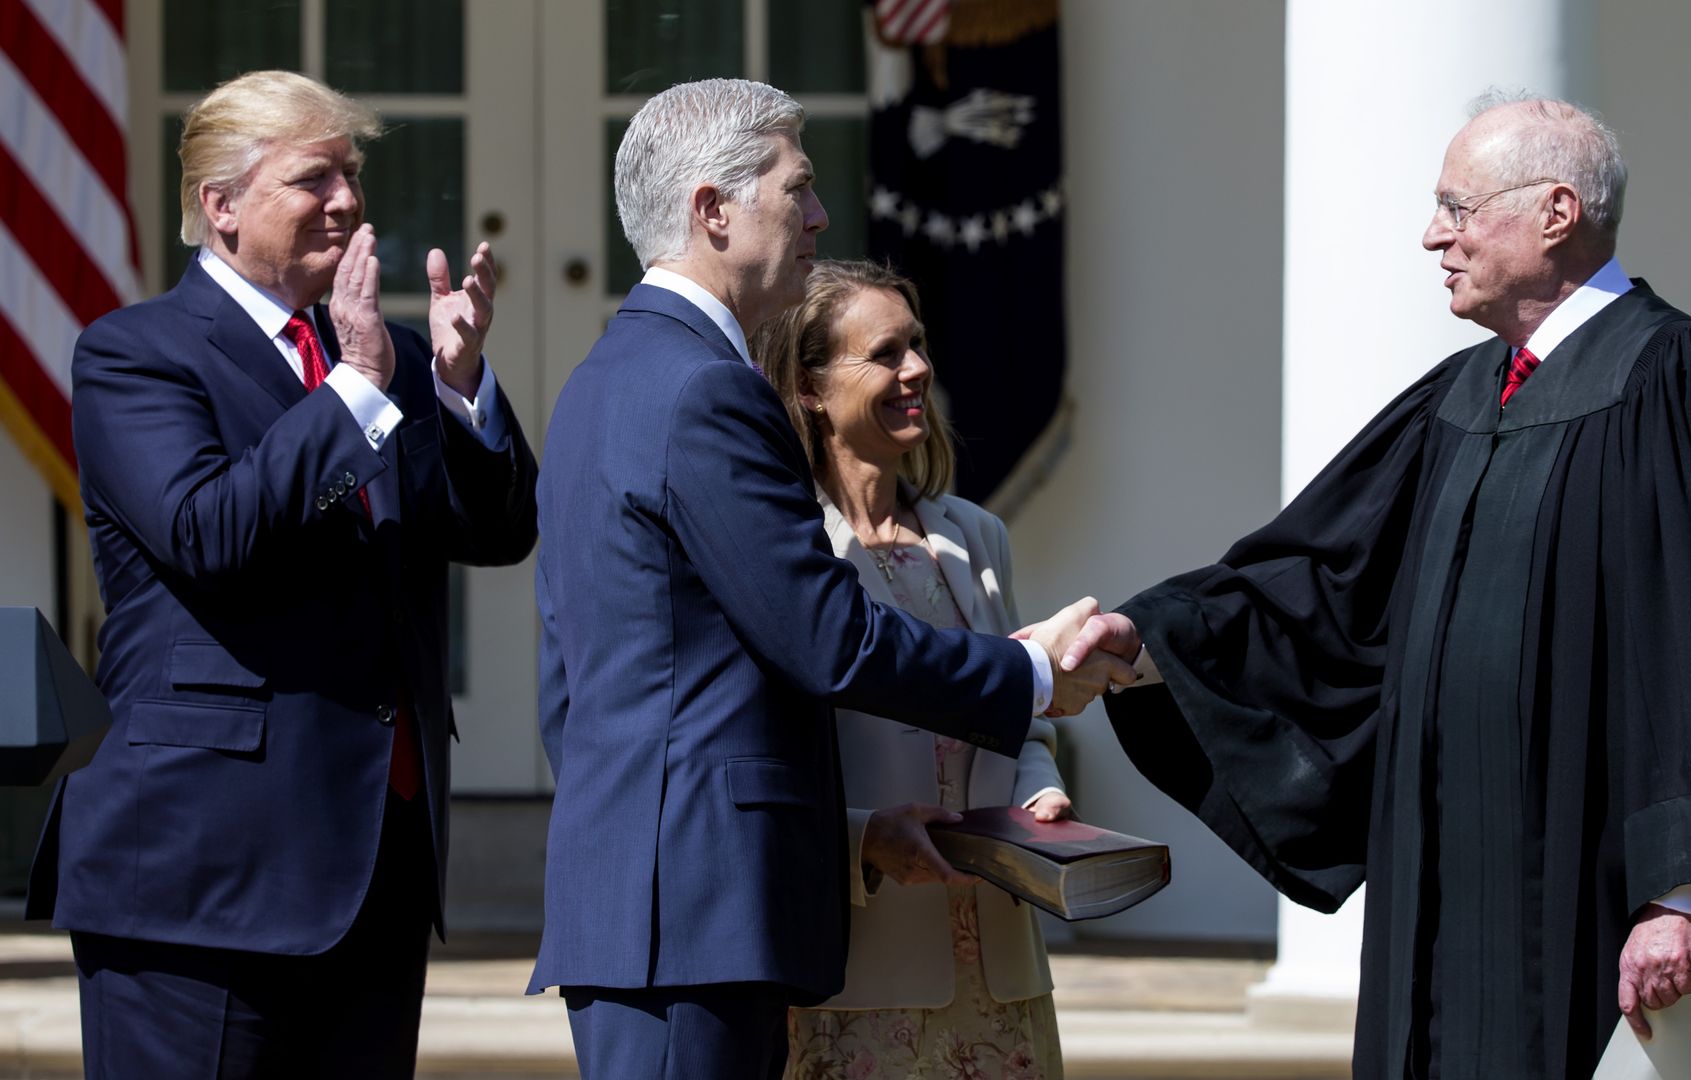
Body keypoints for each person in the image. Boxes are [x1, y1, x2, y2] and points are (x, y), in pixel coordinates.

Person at [1067, 94, 1691, 1077]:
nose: (1433, 236)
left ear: (1556, 211)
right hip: (1441, 893)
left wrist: (1684, 895)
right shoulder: (1460, 396)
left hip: (1598, 900)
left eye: (1458, 208)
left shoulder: (1682, 384)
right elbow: (1328, 584)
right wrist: (1157, 638)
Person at [531, 79, 1131, 1079]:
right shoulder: (704, 390)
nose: (817, 215)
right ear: (712, 209)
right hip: (697, 915)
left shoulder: (603, 379)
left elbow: (568, 689)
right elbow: (827, 637)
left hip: (652, 904)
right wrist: (1026, 674)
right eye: (796, 189)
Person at [26, 70, 538, 1078]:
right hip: (198, 877)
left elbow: (498, 530)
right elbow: (210, 533)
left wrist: (463, 386)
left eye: (351, 172)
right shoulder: (137, 353)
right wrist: (354, 389)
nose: (348, 198)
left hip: (372, 872)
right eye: (315, 177)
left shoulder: (385, 356)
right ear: (220, 207)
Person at [756, 260, 1069, 1080]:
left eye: (919, 345)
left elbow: (1022, 717)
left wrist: (1041, 790)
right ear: (812, 388)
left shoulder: (978, 535)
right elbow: (772, 755)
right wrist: (862, 840)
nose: (918, 370)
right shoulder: (789, 553)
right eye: (887, 353)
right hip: (863, 976)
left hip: (1002, 976)